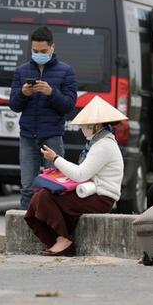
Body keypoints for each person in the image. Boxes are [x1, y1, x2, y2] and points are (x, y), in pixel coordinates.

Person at [24, 95, 127, 256]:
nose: (81, 127)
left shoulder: (104, 145)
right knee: (41, 196)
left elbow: (80, 174)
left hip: (101, 198)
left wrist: (55, 159)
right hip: (89, 192)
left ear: (96, 125)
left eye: (85, 124)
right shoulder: (96, 143)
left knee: (44, 197)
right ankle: (58, 240)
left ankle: (63, 240)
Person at [9, 26, 78, 210]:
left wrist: (51, 92)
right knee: (27, 188)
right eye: (35, 51)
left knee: (54, 186)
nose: (39, 54)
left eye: (43, 51)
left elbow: (69, 106)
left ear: (52, 48)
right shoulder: (21, 71)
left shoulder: (66, 71)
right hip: (28, 136)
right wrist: (23, 93)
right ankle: (24, 231)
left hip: (52, 136)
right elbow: (14, 106)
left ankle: (52, 228)